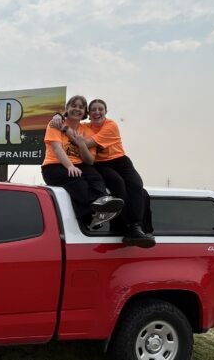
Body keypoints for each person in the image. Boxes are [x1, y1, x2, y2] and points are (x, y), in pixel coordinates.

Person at [51, 98, 155, 247]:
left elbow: (85, 143)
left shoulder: (111, 125)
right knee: (118, 184)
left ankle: (136, 227)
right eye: (93, 110)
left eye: (101, 109)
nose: (97, 112)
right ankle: (122, 227)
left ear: (106, 112)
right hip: (100, 164)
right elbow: (71, 117)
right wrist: (58, 115)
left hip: (120, 161)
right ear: (88, 113)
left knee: (137, 185)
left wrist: (65, 129)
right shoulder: (85, 127)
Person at [41, 95, 123, 230]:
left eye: (81, 107)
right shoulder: (55, 123)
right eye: (74, 106)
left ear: (85, 112)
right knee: (77, 182)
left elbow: (89, 160)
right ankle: (90, 216)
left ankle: (101, 205)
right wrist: (70, 166)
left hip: (80, 164)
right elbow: (56, 148)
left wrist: (82, 145)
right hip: (54, 165)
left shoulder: (87, 130)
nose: (77, 109)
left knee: (95, 177)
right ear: (67, 108)